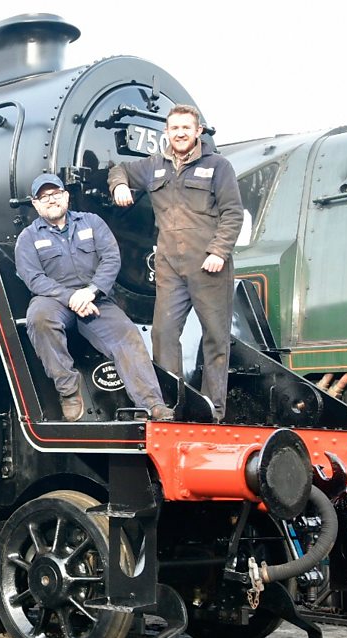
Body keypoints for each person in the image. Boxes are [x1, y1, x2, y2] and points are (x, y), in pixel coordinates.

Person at [108, 104, 243, 421]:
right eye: (174, 128)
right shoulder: (155, 166)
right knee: (163, 333)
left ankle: (214, 411)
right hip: (169, 266)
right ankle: (174, 405)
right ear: (166, 133)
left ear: (198, 132)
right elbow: (120, 169)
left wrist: (218, 251)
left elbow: (233, 213)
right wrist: (120, 186)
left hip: (208, 264)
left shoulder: (218, 166)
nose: (180, 133)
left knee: (215, 337)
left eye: (186, 128)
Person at [15, 173, 174, 422]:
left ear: (66, 196)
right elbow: (33, 278)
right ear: (35, 204)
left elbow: (111, 258)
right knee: (38, 318)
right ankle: (68, 391)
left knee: (127, 333)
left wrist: (91, 291)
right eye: (43, 197)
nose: (51, 200)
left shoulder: (92, 222)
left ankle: (152, 404)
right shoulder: (28, 238)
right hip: (54, 300)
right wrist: (72, 298)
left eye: (56, 194)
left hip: (95, 297)